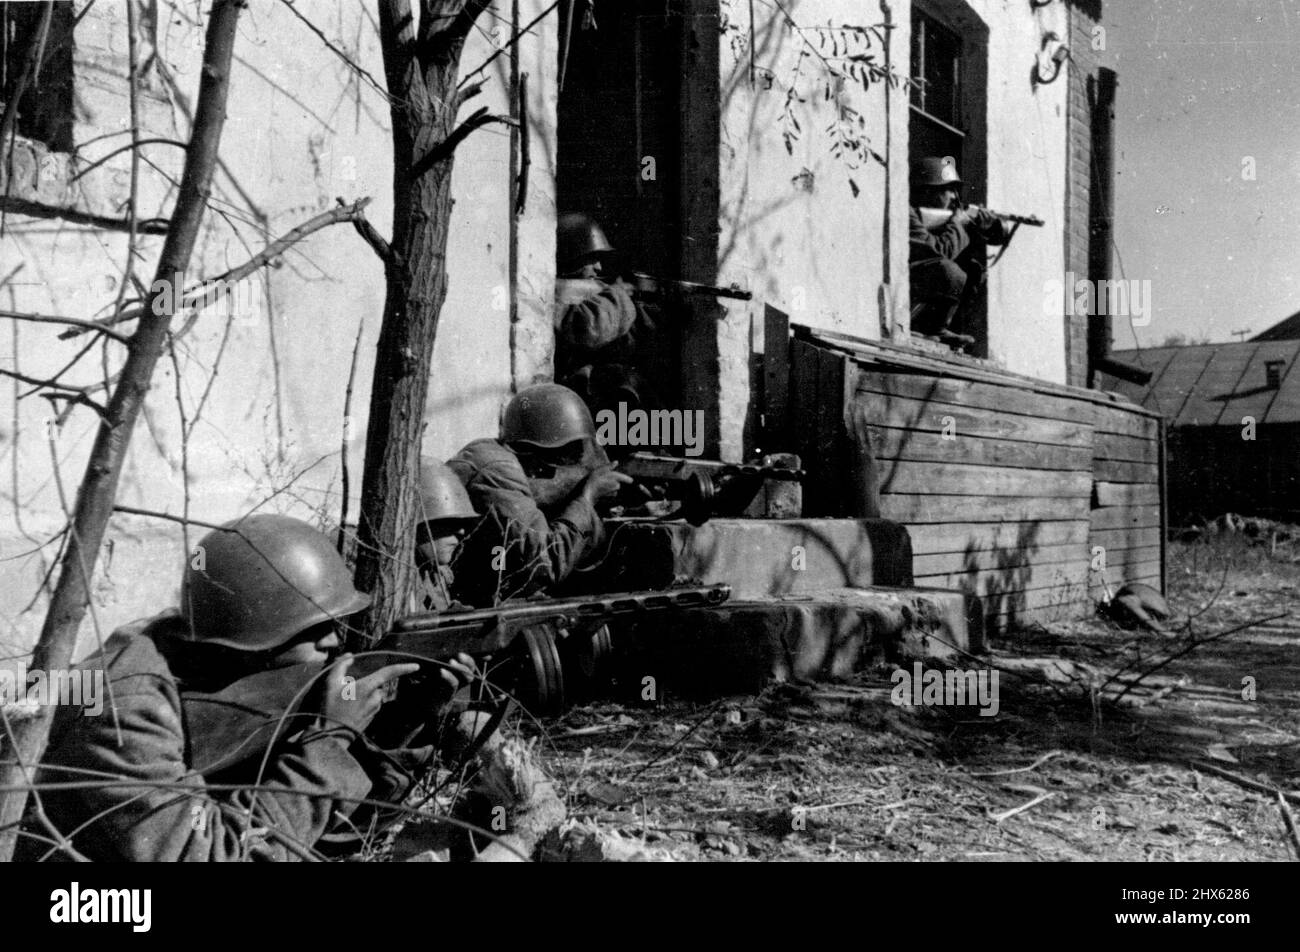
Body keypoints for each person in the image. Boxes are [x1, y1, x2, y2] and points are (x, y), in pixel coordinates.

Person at [19, 513, 474, 862]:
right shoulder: (127, 710)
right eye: (314, 634)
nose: (336, 643)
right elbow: (217, 855)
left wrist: (402, 722)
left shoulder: (227, 681)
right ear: (255, 641)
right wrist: (328, 741)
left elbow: (333, 837)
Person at [446, 382, 630, 607]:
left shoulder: (494, 456)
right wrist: (588, 496)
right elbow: (546, 564)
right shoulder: (496, 472)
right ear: (539, 461)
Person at [554, 212, 662, 417]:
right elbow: (590, 330)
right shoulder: (556, 296)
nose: (599, 267)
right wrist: (619, 295)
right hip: (567, 400)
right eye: (591, 260)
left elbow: (623, 345)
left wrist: (644, 311)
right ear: (570, 259)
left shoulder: (594, 297)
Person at [908, 155, 1012, 349]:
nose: (955, 197)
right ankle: (927, 327)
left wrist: (982, 227)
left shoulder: (937, 221)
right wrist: (960, 222)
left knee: (973, 270)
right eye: (949, 190)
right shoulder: (908, 214)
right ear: (929, 190)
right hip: (909, 284)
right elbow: (940, 251)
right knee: (948, 269)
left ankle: (938, 326)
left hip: (920, 281)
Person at [412, 457, 482, 612]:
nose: (461, 531)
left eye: (462, 524)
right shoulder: (401, 583)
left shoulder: (436, 574)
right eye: (448, 522)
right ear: (419, 525)